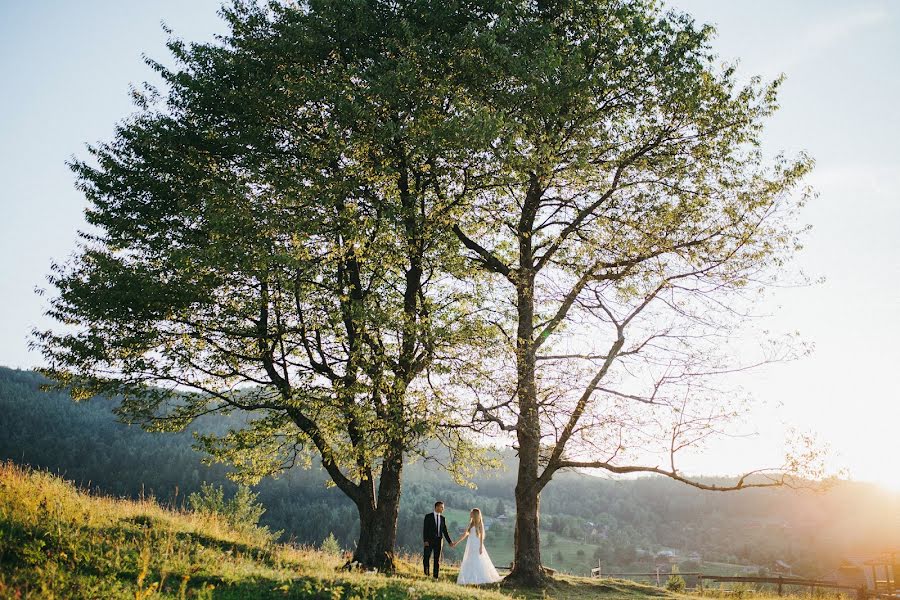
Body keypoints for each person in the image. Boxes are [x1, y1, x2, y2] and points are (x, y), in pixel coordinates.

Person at [454, 508, 502, 585]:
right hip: (470, 544)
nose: (470, 514)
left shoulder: (479, 523)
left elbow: (481, 536)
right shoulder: (470, 523)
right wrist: (457, 542)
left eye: (471, 513)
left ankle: (479, 577)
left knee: (477, 559)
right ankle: (468, 577)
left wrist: (480, 547)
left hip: (476, 544)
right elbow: (465, 534)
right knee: (469, 559)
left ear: (475, 514)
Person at [423, 500, 455, 579]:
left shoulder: (443, 518)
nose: (443, 509)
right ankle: (426, 574)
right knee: (426, 557)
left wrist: (450, 542)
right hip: (429, 541)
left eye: (443, 508)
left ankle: (435, 577)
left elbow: (445, 532)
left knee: (437, 559)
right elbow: (425, 529)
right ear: (436, 507)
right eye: (441, 507)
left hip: (439, 541)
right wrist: (425, 540)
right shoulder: (428, 516)